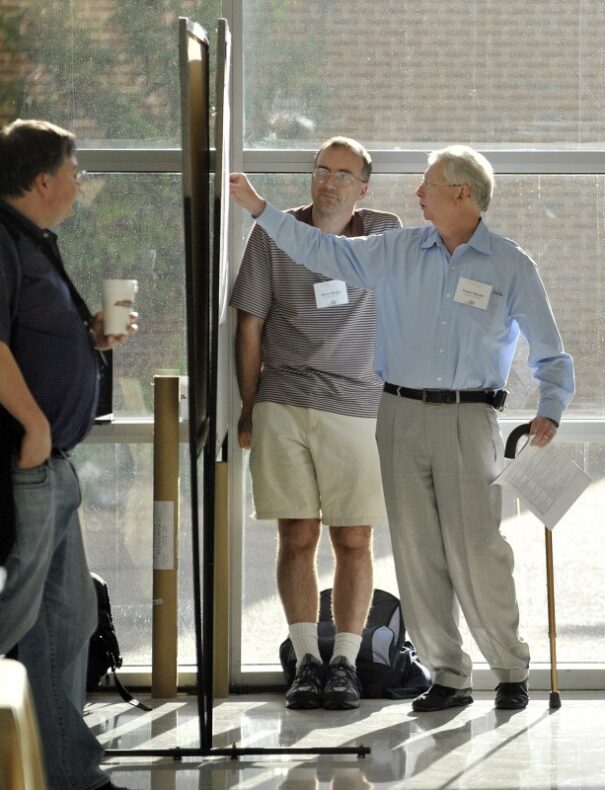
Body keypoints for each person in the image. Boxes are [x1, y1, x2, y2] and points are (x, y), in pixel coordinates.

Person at [229, 144, 575, 712]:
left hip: (469, 416)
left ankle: (510, 668)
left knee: (478, 550)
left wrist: (552, 407)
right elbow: (321, 249)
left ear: (461, 194)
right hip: (398, 413)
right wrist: (262, 210)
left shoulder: (510, 264)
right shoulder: (397, 249)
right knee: (416, 553)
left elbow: (550, 354)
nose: (417, 193)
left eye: (428, 184)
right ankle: (448, 676)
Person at [230, 137, 401, 710]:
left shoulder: (384, 232)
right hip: (284, 401)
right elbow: (250, 325)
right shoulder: (273, 232)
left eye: (342, 174)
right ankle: (306, 661)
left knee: (354, 539)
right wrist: (249, 406)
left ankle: (346, 663)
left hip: (359, 407)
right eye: (322, 170)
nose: (329, 182)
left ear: (362, 188)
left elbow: (409, 308)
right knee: (296, 537)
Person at [0, 119, 137, 790]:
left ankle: (69, 775)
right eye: (74, 173)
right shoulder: (3, 241)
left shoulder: (32, 242)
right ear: (42, 180)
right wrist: (31, 424)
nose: (80, 184)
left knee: (65, 618)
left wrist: (90, 338)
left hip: (52, 463)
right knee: (16, 618)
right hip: (26, 461)